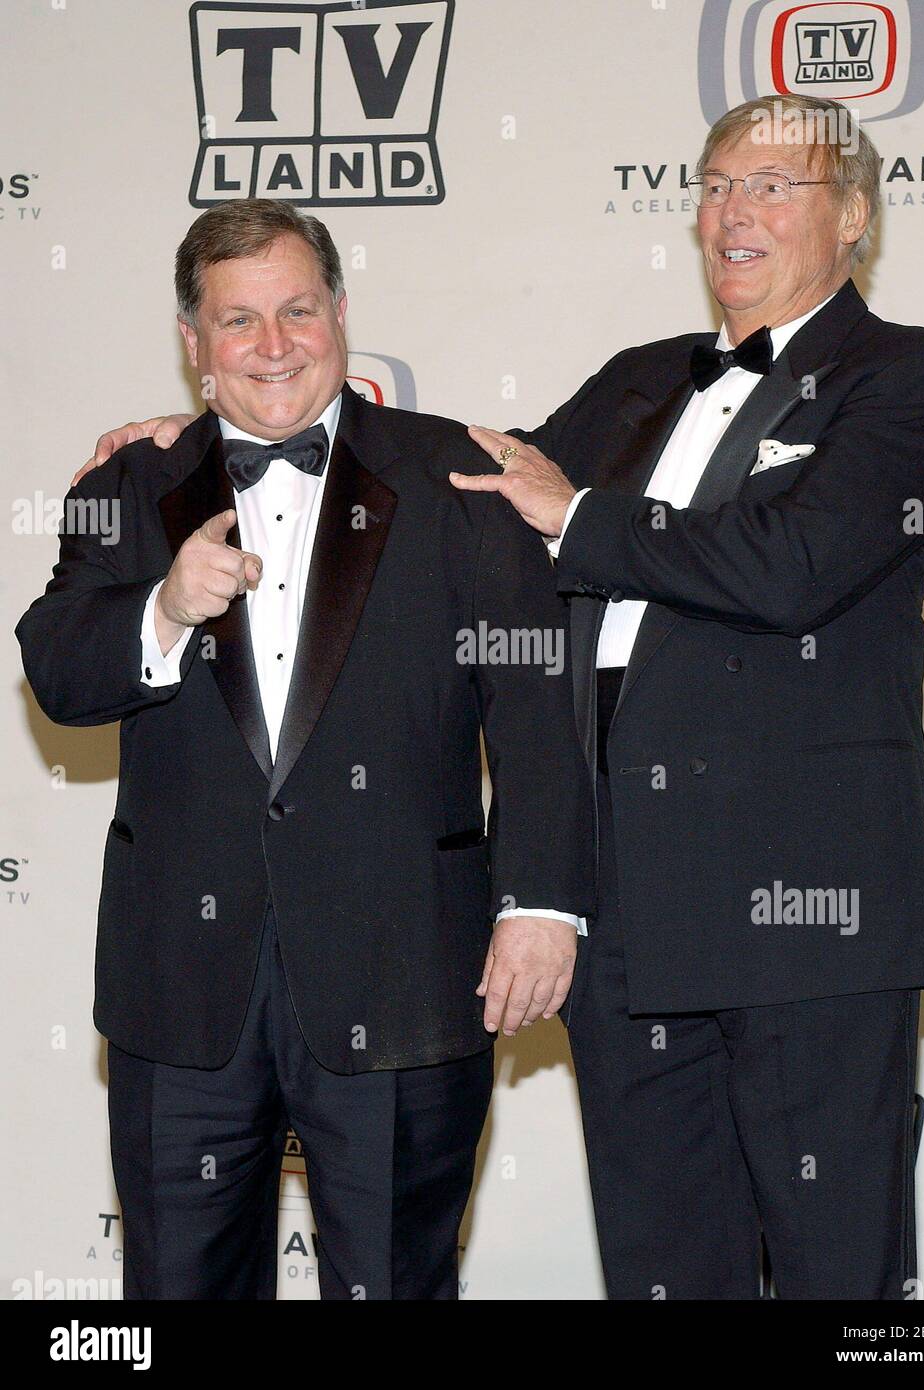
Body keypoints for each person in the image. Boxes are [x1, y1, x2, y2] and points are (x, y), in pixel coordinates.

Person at [80, 94, 924, 1300]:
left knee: (837, 1279)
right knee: (665, 1272)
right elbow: (440, 482)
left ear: (854, 217)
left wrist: (585, 517)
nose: (734, 211)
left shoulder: (912, 371)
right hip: (624, 928)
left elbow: (798, 565)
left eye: (774, 185)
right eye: (717, 184)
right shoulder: (638, 382)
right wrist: (224, 425)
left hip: (801, 917)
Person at [18, 198, 593, 1301]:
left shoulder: (465, 479)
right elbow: (57, 668)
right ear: (193, 343)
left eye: (296, 309)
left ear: (341, 310)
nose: (272, 344)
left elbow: (538, 711)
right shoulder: (125, 489)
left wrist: (540, 903)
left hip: (407, 971)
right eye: (238, 320)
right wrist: (164, 610)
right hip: (179, 991)